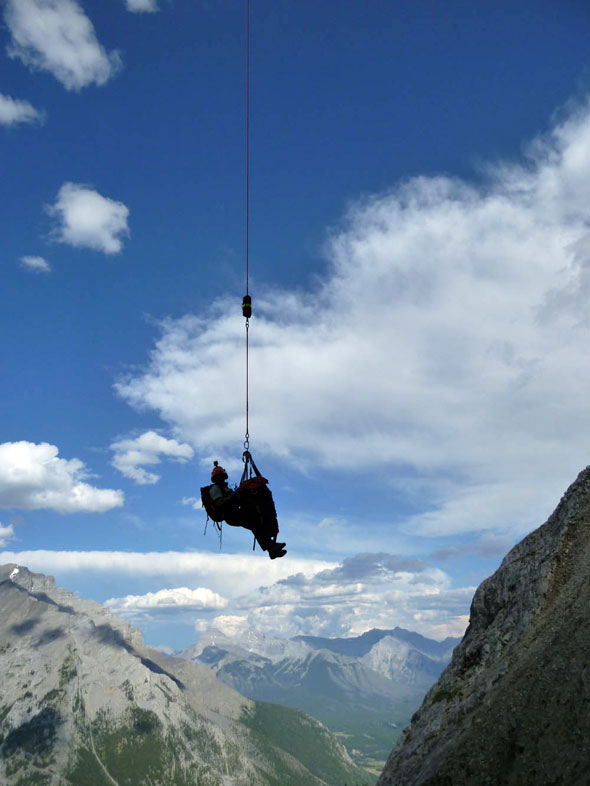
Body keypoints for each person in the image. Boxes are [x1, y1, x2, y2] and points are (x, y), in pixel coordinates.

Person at [209, 463, 287, 559]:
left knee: (258, 522)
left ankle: (272, 549)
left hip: (236, 513)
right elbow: (219, 503)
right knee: (254, 523)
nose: (221, 478)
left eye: (222, 476)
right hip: (230, 516)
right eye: (219, 477)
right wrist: (235, 494)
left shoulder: (225, 488)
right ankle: (271, 548)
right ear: (215, 478)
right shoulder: (215, 489)